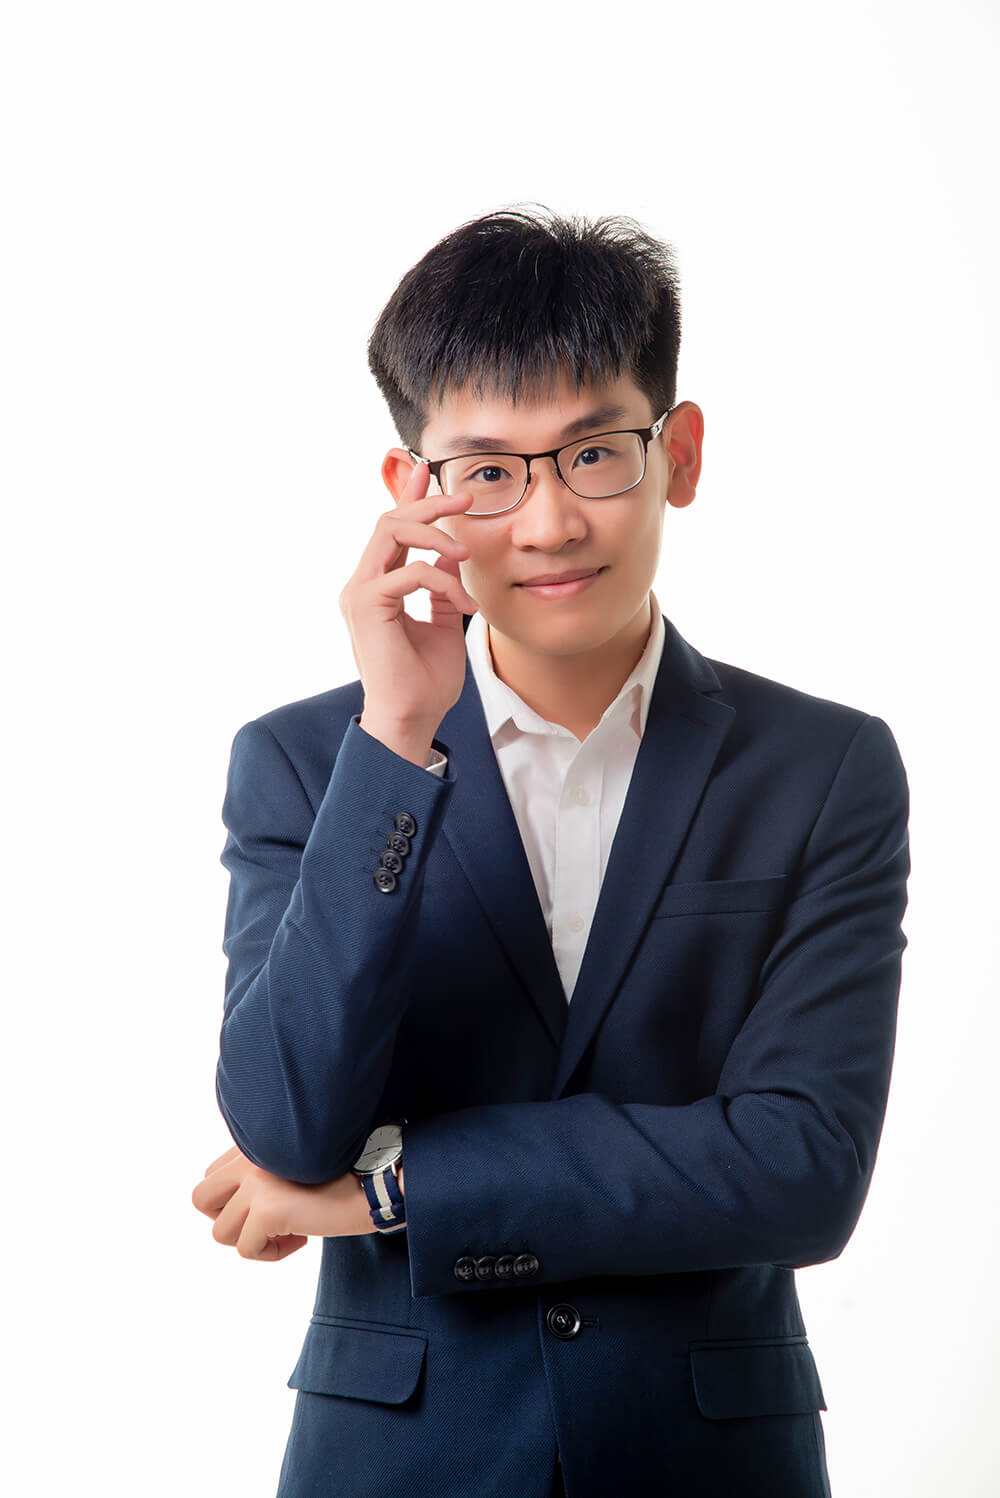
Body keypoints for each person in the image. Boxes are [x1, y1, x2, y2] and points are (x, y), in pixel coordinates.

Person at [192, 206, 910, 1498]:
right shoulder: (310, 764)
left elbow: (802, 1170)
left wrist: (396, 1189)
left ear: (678, 452)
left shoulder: (823, 767)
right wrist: (396, 739)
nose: (546, 523)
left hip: (706, 1457)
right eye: (487, 469)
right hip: (400, 1456)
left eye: (593, 453)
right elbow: (287, 1128)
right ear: (413, 492)